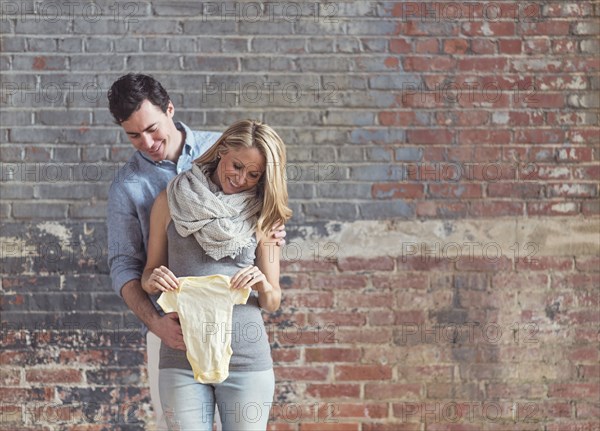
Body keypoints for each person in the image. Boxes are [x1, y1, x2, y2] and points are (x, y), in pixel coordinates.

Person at [106, 74, 286, 430]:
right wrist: (156, 322)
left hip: (243, 348)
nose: (147, 142)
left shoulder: (229, 151)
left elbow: (272, 295)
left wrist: (268, 253)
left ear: (169, 110)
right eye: (133, 135)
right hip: (175, 334)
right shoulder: (137, 188)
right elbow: (128, 266)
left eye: (153, 129)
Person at [140, 119, 292, 430]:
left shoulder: (264, 214)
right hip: (182, 353)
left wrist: (263, 283)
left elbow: (273, 300)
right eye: (236, 166)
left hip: (246, 358)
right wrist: (153, 280)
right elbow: (148, 274)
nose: (241, 179)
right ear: (222, 150)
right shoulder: (169, 199)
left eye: (253, 175)